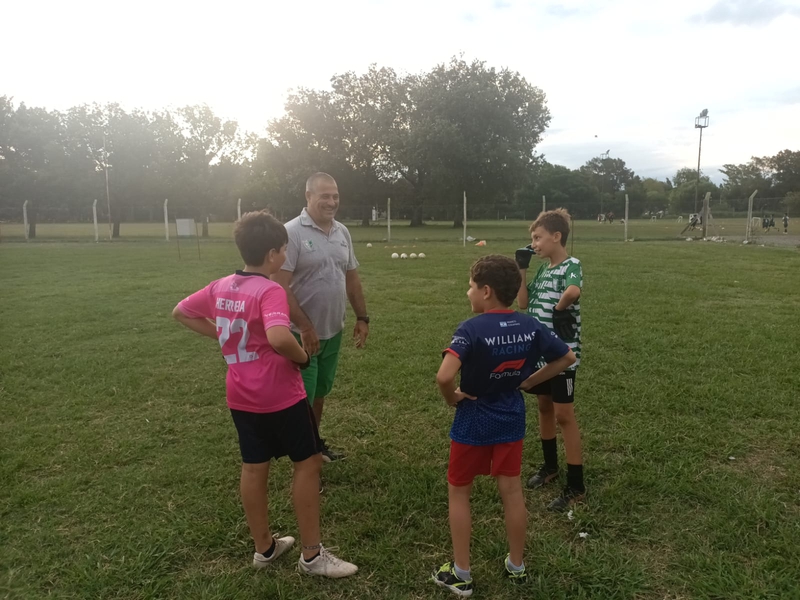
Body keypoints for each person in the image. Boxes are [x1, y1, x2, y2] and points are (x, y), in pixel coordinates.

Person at [171, 210, 357, 578]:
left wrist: (224, 336)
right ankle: (312, 555)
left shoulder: (221, 286)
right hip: (280, 397)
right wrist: (302, 357)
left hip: (241, 397)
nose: (286, 255)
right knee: (309, 462)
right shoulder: (270, 289)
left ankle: (265, 548)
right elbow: (277, 336)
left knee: (254, 467)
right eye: (284, 250)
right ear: (273, 254)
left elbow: (181, 311)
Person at [432, 255, 576, 597]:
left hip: (473, 421)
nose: (467, 292)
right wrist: (528, 380)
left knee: (459, 491)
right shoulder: (529, 325)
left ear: (485, 291)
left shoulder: (470, 328)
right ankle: (516, 565)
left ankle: (461, 573)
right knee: (511, 490)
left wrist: (451, 397)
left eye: (470, 286)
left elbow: (444, 376)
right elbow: (567, 357)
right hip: (511, 418)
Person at [272, 173, 369, 462]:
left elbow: (351, 278)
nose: (331, 202)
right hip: (300, 334)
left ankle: (313, 446)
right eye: (324, 196)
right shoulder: (292, 233)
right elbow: (280, 285)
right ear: (308, 196)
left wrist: (362, 317)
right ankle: (304, 459)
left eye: (335, 196)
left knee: (319, 394)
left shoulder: (342, 232)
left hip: (332, 331)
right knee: (301, 398)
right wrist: (304, 326)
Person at [515, 208, 587, 512]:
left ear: (556, 237)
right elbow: (522, 302)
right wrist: (522, 269)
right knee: (544, 407)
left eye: (538, 238)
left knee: (564, 416)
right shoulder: (543, 270)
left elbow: (573, 290)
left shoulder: (571, 264)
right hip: (539, 354)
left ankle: (576, 484)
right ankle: (550, 466)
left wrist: (559, 308)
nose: (534, 243)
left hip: (562, 354)